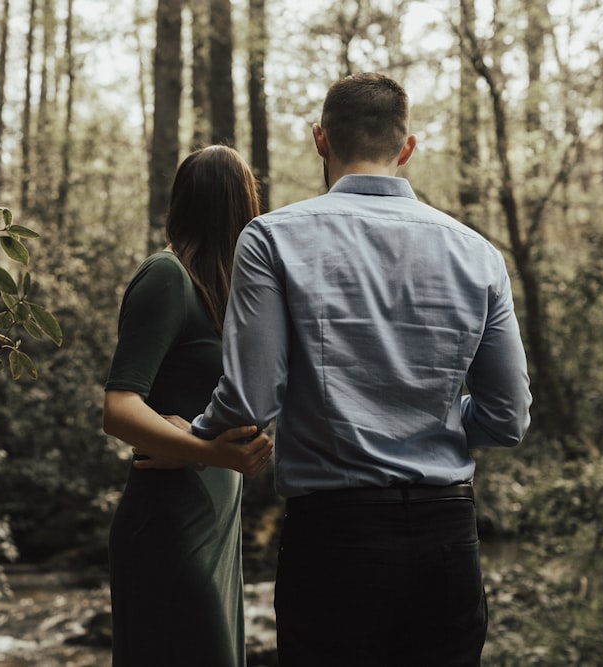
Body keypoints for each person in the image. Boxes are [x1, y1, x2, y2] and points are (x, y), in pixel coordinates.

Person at [191, 73, 533, 666]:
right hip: (446, 537)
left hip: (333, 541)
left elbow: (250, 400)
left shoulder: (272, 238)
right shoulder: (479, 253)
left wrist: (187, 435)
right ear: (407, 148)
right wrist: (438, 422)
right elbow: (507, 419)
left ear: (320, 139)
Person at [103, 145, 274, 667]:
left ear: (182, 204)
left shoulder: (240, 296)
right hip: (169, 523)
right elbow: (119, 408)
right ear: (245, 209)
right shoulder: (166, 276)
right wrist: (205, 451)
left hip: (219, 521)